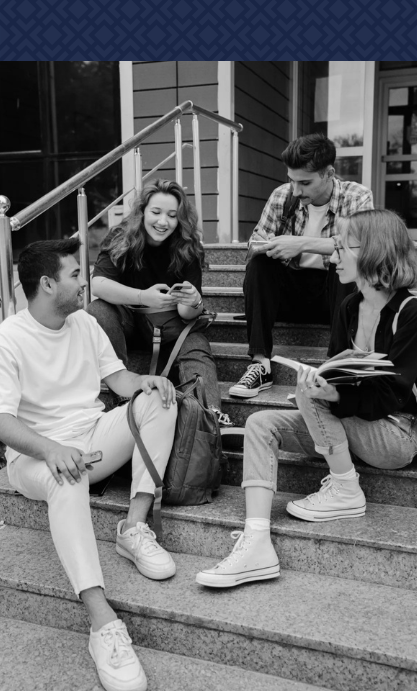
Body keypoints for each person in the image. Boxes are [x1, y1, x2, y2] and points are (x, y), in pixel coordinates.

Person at [196, 209, 417, 588]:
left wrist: (328, 396)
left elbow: (394, 393)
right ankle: (257, 540)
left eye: (340, 247)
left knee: (311, 394)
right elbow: (337, 372)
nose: (332, 258)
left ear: (371, 251)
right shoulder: (349, 306)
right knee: (261, 422)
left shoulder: (411, 312)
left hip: (395, 434)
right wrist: (322, 389)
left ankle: (346, 488)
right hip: (348, 426)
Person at [0, 238, 179, 691]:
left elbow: (117, 378)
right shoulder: (9, 337)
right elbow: (1, 419)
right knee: (66, 478)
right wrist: (49, 449)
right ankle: (103, 622)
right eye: (74, 274)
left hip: (93, 436)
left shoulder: (83, 322)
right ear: (46, 284)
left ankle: (134, 528)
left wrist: (145, 381)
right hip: (36, 459)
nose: (84, 282)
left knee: (161, 401)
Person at [229, 133, 374, 399]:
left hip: (335, 299)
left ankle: (333, 369)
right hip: (290, 295)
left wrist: (300, 244)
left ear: (329, 173)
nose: (296, 190)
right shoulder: (282, 196)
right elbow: (253, 244)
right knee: (260, 263)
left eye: (305, 183)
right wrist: (265, 245)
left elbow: (360, 247)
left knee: (346, 265)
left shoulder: (356, 196)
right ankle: (260, 365)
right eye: (292, 181)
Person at [88, 178, 231, 428]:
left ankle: (209, 417)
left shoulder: (187, 247)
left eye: (172, 215)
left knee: (197, 344)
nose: (163, 222)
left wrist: (193, 301)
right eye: (156, 212)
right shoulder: (121, 237)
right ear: (142, 211)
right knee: (98, 310)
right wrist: (144, 296)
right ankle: (124, 400)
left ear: (180, 219)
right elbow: (98, 284)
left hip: (170, 328)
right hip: (129, 325)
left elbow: (188, 316)